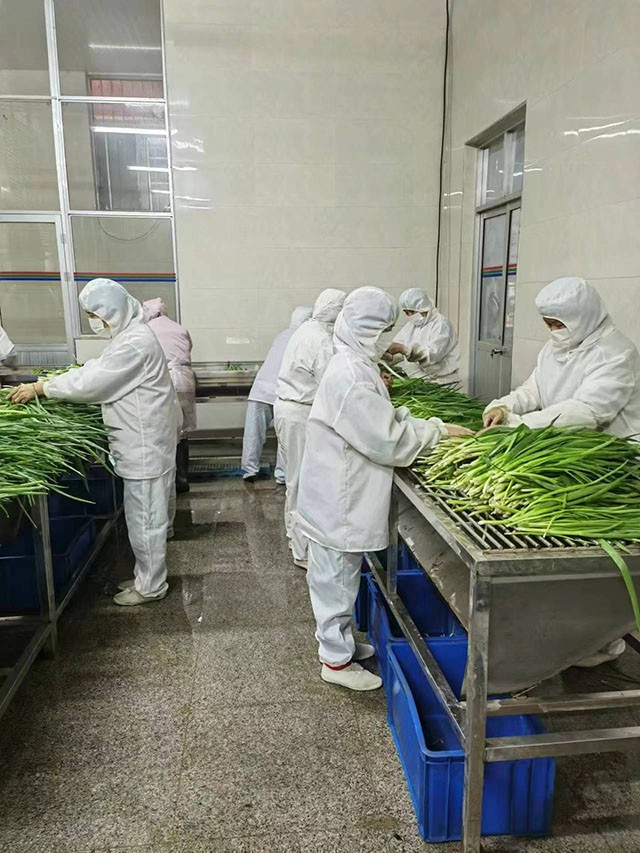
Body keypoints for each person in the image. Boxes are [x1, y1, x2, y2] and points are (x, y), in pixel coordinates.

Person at [297, 287, 471, 691]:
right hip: (338, 497)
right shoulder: (351, 375)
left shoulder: (354, 363)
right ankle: (335, 662)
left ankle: (339, 644)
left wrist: (420, 422)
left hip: (337, 492)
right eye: (383, 331)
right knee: (335, 580)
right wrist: (436, 432)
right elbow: (386, 440)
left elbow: (381, 417)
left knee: (339, 577)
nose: (387, 340)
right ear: (366, 330)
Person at [483, 276, 640, 666]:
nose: (554, 331)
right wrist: (505, 405)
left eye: (559, 324)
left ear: (584, 316)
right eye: (549, 323)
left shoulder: (616, 353)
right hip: (570, 456)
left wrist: (520, 426)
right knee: (572, 555)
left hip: (611, 464)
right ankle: (574, 634)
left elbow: (587, 412)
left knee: (599, 559)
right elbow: (533, 390)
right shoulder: (556, 348)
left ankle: (604, 639)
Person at [8, 278, 180, 607]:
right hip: (143, 443)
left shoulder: (134, 343)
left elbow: (94, 382)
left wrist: (43, 388)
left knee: (145, 520)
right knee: (144, 517)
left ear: (112, 311)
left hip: (144, 447)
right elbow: (99, 367)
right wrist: (57, 380)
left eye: (95, 315)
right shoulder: (129, 337)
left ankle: (151, 586)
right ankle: (147, 576)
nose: (94, 322)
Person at [274, 289, 346, 569]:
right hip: (299, 413)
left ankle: (295, 537)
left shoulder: (307, 330)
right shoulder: (319, 339)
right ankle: (302, 549)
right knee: (301, 480)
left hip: (291, 411)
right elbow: (333, 383)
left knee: (296, 477)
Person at [241, 306, 312, 484]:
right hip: (282, 391)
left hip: (260, 389)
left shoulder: (282, 335)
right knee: (284, 435)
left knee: (253, 433)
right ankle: (282, 474)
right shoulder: (305, 337)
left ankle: (249, 470)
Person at [143, 298, 196, 495]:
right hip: (185, 379)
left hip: (163, 380)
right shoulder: (179, 328)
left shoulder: (146, 330)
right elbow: (188, 349)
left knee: (165, 429)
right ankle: (183, 479)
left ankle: (168, 479)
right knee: (182, 432)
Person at [384, 287, 460, 382]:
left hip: (441, 380)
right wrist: (388, 356)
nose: (410, 316)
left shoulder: (441, 324)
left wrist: (404, 349)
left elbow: (433, 355)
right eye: (406, 312)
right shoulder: (412, 325)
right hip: (421, 378)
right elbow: (399, 346)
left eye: (412, 312)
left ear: (424, 308)